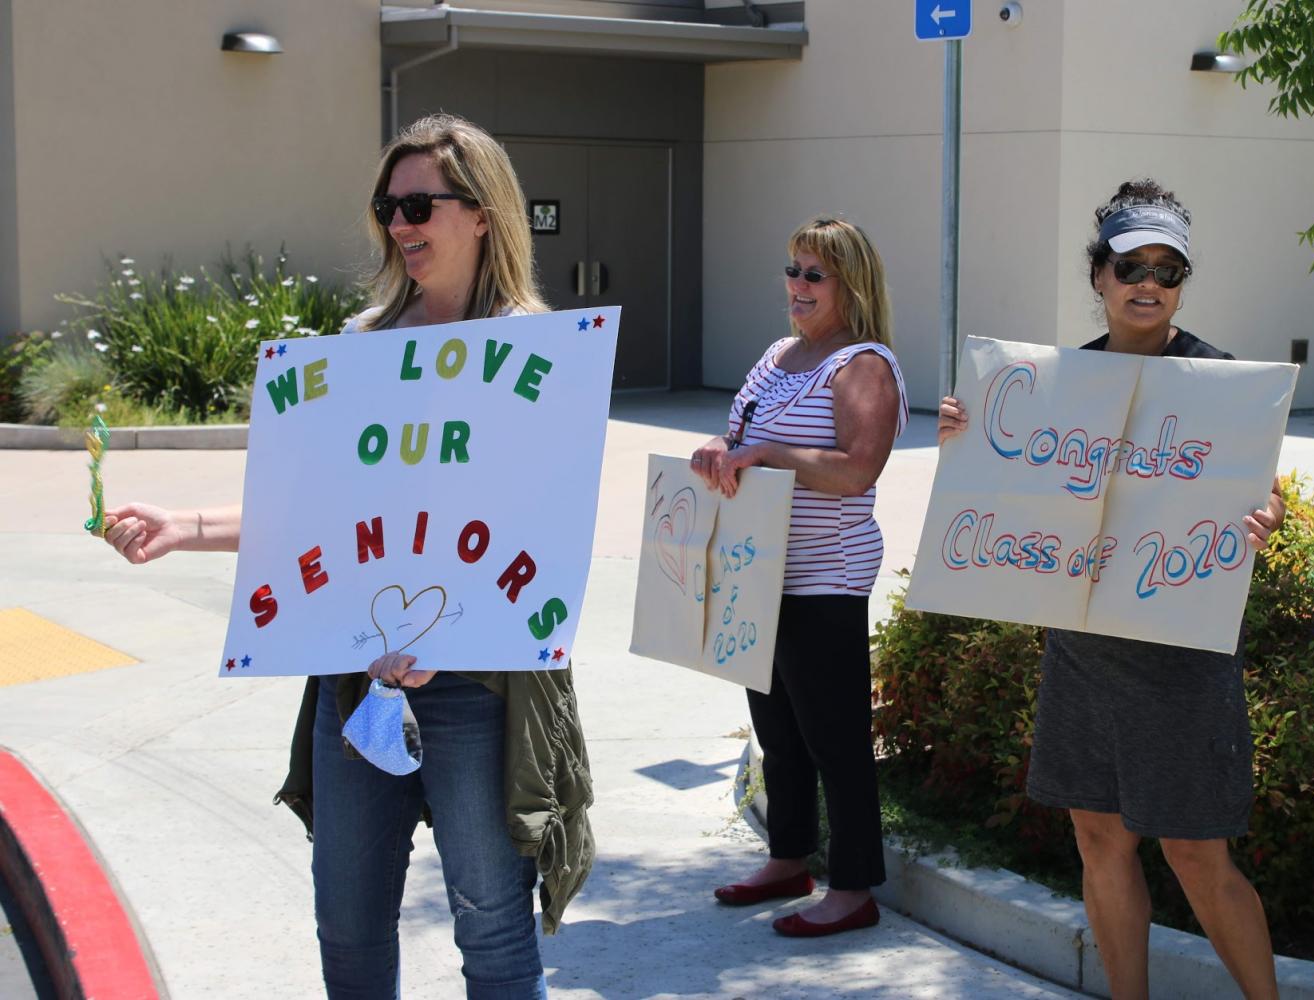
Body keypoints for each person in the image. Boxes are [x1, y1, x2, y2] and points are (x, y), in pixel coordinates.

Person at [101, 114, 591, 1000]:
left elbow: (548, 532)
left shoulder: (542, 352)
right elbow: (304, 512)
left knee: (492, 927)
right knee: (350, 927)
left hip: (478, 694)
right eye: (387, 207)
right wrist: (184, 525)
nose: (399, 225)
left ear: (481, 213)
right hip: (356, 683)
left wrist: (463, 629)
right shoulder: (361, 347)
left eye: (417, 204)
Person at [938, 179, 1286, 1000]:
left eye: (1166, 271)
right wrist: (968, 436)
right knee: (1097, 838)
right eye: (1130, 264)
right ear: (1097, 275)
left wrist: (1266, 516)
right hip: (1083, 648)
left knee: (1197, 854)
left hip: (1180, 655)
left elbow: (1260, 491)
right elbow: (1005, 488)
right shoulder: (1057, 383)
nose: (1148, 283)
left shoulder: (1217, 379)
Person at [692, 217, 908, 937]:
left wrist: (765, 452)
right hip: (758, 575)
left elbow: (856, 471)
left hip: (823, 579)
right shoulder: (777, 355)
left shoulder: (863, 365)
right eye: (791, 270)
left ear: (852, 284)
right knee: (777, 731)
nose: (797, 285)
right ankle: (788, 857)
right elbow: (742, 439)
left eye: (814, 275)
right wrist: (719, 453)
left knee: (834, 739)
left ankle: (853, 888)